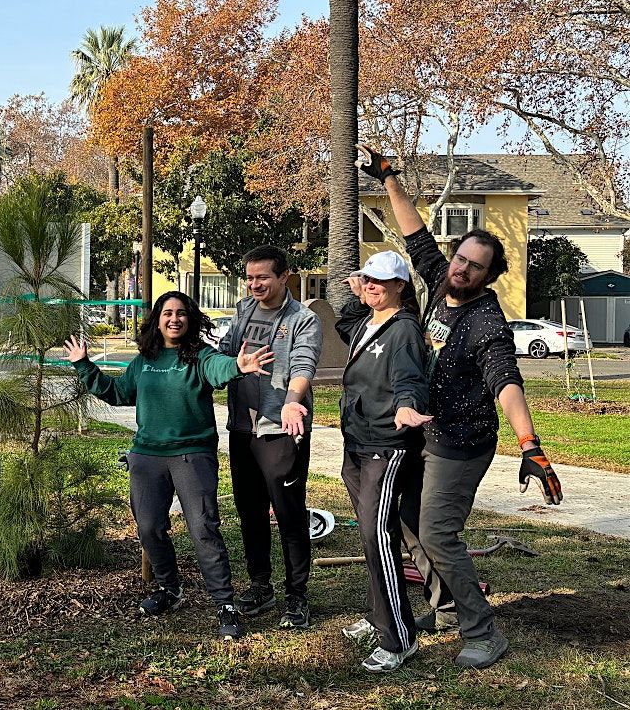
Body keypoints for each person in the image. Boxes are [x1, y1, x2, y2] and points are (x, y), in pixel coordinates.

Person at [356, 143, 564, 669]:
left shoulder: (487, 322)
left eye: (476, 268)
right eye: (461, 259)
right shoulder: (435, 283)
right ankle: (441, 603)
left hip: (462, 440)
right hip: (421, 430)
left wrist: (529, 442)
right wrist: (389, 179)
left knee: (437, 531)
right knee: (403, 515)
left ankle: (482, 630)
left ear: (489, 278)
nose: (463, 270)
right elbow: (415, 233)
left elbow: (506, 382)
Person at [64, 291, 272, 640]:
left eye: (181, 313)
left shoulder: (200, 356)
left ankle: (224, 604)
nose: (174, 319)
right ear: (157, 319)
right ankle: (170, 589)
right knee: (148, 528)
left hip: (192, 454)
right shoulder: (145, 360)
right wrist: (84, 364)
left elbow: (218, 368)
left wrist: (237, 366)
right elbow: (118, 393)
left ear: (190, 319)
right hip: (147, 456)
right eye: (167, 313)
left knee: (203, 529)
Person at [334, 251, 432, 672]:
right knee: (375, 535)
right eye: (367, 279)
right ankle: (379, 616)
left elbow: (410, 378)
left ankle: (398, 638)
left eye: (379, 281)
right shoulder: (366, 324)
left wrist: (407, 406)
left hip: (385, 447)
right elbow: (342, 324)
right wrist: (358, 295)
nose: (371, 285)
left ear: (400, 287)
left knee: (378, 538)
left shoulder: (404, 330)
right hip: (356, 440)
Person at [217, 245, 323, 630]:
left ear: (284, 276)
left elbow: (303, 364)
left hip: (281, 430)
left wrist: (293, 402)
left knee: (289, 513)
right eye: (249, 277)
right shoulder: (244, 310)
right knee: (250, 511)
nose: (255, 284)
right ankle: (260, 585)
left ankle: (297, 596)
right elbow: (228, 353)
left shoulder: (303, 319)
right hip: (243, 429)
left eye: (263, 277)